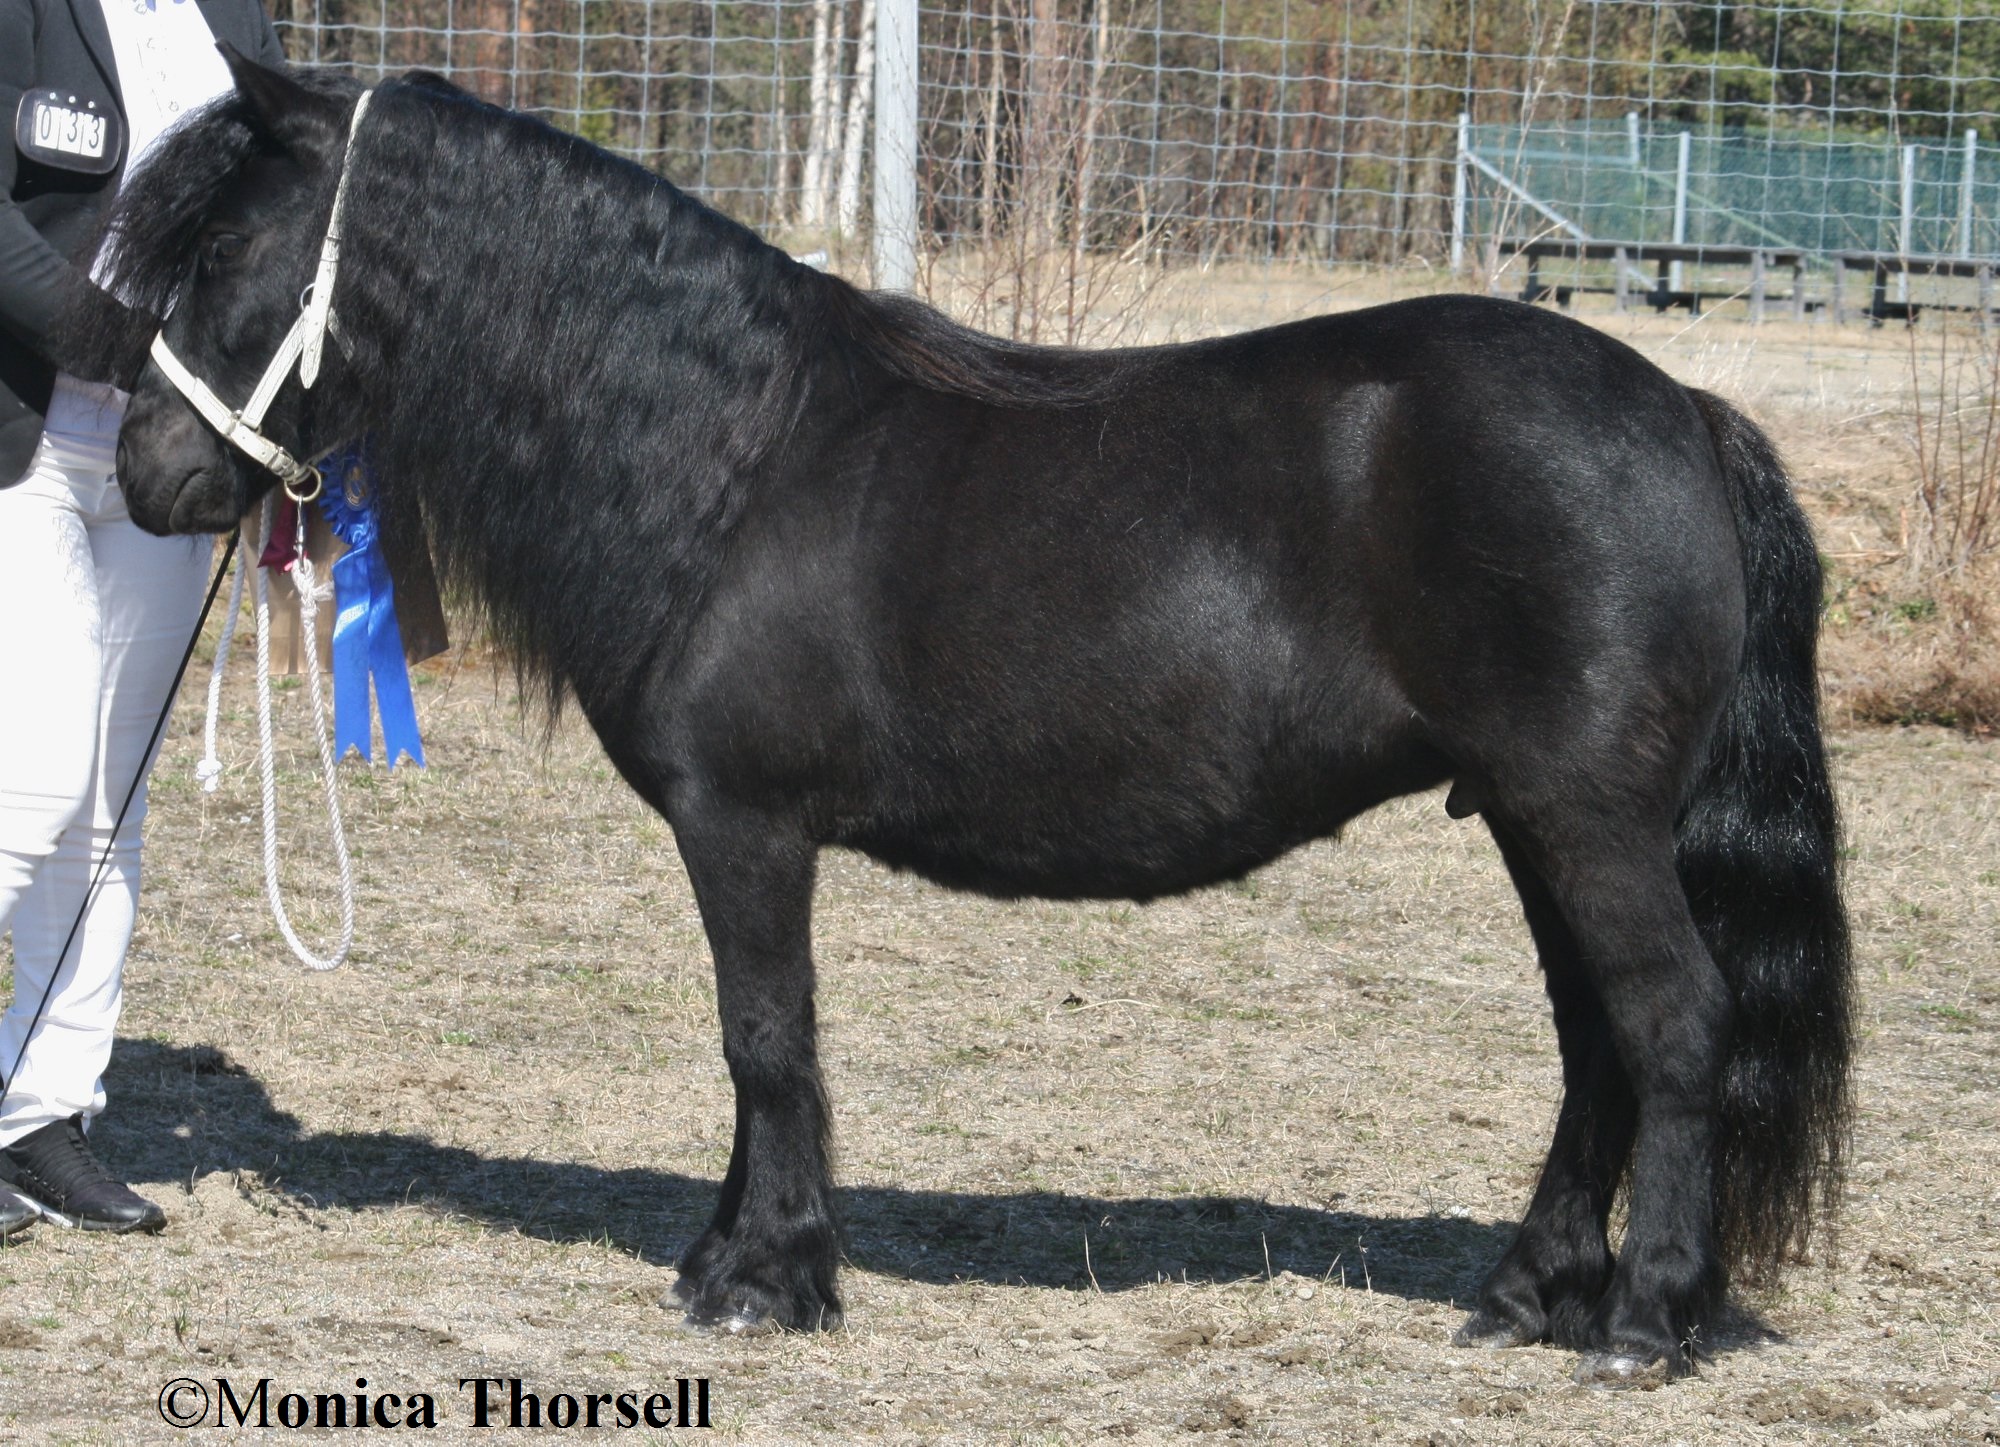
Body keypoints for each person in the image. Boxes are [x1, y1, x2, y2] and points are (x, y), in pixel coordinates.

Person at [0, 0, 287, 1236]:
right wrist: (132, 343)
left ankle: (39, 1115)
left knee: (108, 806)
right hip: (24, 447)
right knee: (31, 782)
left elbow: (291, 207)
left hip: (165, 463)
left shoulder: (236, 17)